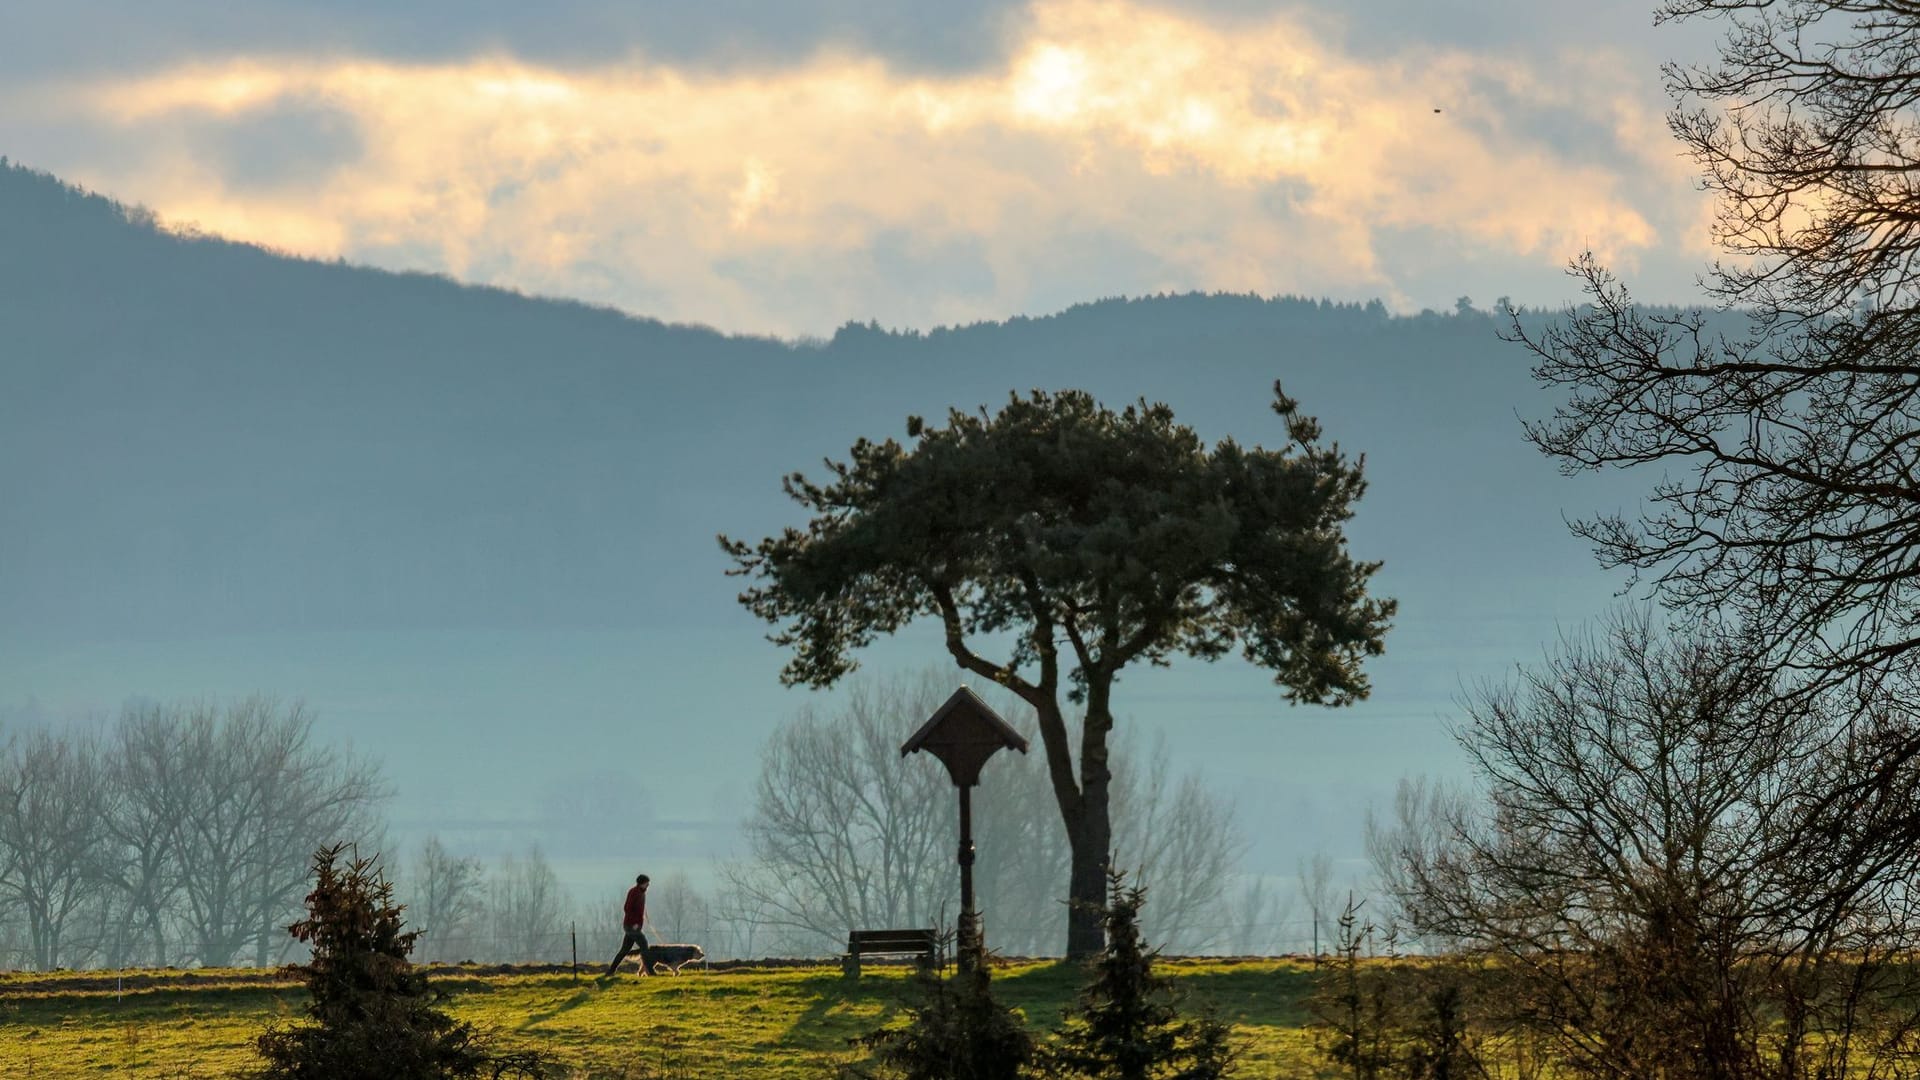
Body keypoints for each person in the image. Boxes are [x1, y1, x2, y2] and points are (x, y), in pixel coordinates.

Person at [603, 873, 653, 977]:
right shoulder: (634, 892)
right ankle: (650, 971)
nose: (648, 885)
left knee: (624, 950)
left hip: (634, 926)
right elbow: (627, 908)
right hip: (631, 926)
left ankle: (610, 971)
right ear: (641, 883)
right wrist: (634, 923)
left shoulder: (641, 893)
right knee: (644, 945)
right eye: (647, 884)